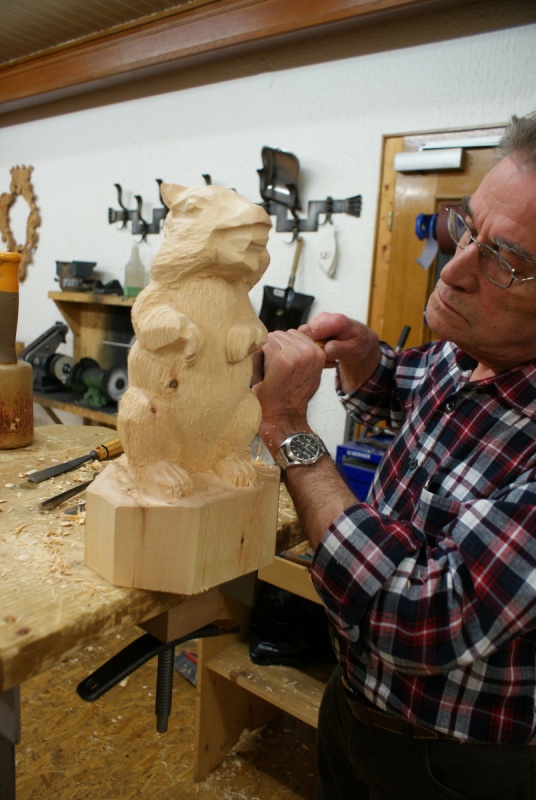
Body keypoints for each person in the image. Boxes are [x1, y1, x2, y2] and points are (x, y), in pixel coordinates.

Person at [252, 111, 536, 800]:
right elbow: (415, 384)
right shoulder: (469, 351)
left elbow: (415, 618)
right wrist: (368, 360)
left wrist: (289, 429)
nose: (454, 268)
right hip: (354, 703)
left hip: (455, 765)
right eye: (467, 228)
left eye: (506, 262)